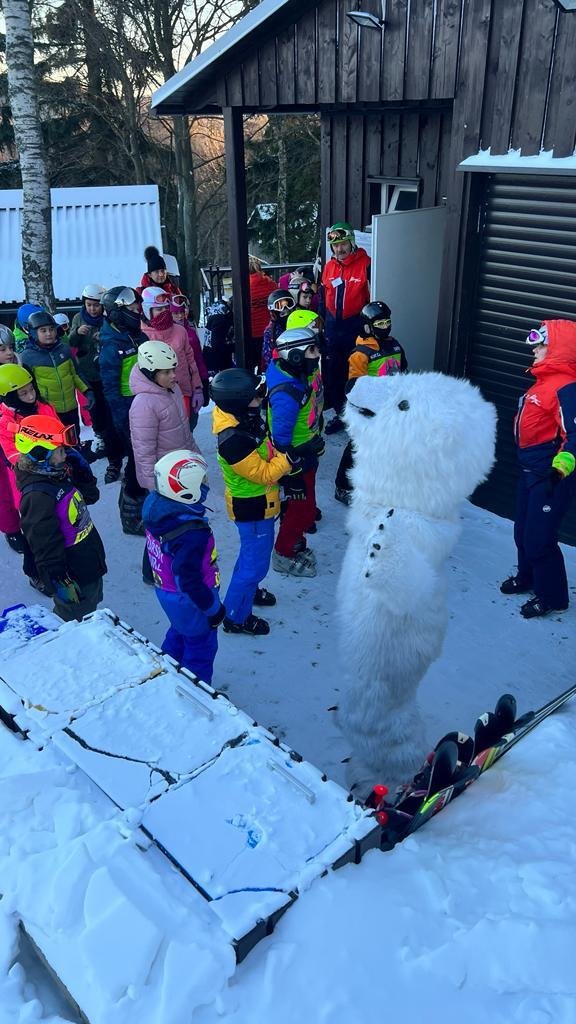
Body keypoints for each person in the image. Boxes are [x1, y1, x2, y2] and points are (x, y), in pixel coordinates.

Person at [211, 368, 301, 635]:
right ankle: (236, 617)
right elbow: (263, 474)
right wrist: (289, 460)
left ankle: (249, 591)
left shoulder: (244, 418)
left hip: (261, 503)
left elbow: (265, 450)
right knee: (255, 565)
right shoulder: (233, 440)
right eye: (256, 396)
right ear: (238, 401)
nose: (261, 399)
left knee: (251, 556)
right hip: (253, 508)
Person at [500, 320, 576, 618]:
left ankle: (552, 598)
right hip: (529, 471)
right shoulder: (544, 381)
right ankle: (527, 578)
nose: (534, 349)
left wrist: (560, 469)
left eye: (540, 344)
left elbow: (574, 436)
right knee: (522, 532)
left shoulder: (567, 387)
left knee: (539, 539)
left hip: (551, 477)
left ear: (558, 348)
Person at [142, 450, 225, 682]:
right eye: (202, 481)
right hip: (191, 601)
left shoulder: (158, 511)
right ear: (186, 488)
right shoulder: (192, 533)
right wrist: (213, 609)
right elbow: (188, 580)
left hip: (167, 592)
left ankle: (165, 675)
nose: (206, 484)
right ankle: (194, 693)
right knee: (200, 649)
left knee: (178, 633)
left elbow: (152, 550)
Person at [15, 414, 106, 621]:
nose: (65, 455)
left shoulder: (58, 472)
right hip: (72, 572)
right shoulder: (37, 496)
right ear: (40, 455)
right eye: (60, 451)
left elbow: (91, 497)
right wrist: (60, 578)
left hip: (88, 558)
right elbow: (43, 544)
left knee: (91, 602)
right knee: (74, 617)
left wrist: (83, 474)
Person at [334, 301, 408, 505]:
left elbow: (403, 370)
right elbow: (355, 386)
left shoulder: (395, 345)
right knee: (357, 449)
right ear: (367, 327)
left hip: (389, 409)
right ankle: (343, 486)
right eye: (379, 324)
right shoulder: (361, 353)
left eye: (387, 322)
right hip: (369, 411)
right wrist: (364, 408)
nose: (385, 327)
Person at [266, 327, 325, 578]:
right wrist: (305, 449)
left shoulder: (298, 374)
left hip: (306, 454)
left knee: (300, 508)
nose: (317, 354)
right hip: (295, 462)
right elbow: (281, 441)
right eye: (312, 350)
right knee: (302, 510)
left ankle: (295, 541)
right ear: (295, 355)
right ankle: (283, 553)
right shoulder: (287, 394)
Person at [99, 286, 149, 534]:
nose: (136, 311)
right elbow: (110, 386)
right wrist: (121, 418)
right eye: (131, 307)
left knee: (144, 458)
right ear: (117, 312)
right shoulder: (111, 344)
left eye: (136, 306)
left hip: (145, 404)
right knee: (137, 460)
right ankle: (130, 515)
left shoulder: (137, 336)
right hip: (128, 409)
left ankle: (140, 502)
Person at [0, 364, 57, 579]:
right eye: (23, 393)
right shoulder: (6, 422)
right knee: (37, 529)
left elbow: (58, 430)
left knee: (60, 521)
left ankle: (61, 562)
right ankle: (35, 573)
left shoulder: (44, 407)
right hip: (28, 483)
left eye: (31, 389)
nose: (31, 395)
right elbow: (11, 453)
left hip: (55, 473)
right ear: (10, 397)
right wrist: (36, 459)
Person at [69, 283, 124, 483]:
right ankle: (103, 438)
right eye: (89, 305)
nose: (93, 309)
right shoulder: (78, 318)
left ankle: (116, 456)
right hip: (88, 374)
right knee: (96, 413)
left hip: (107, 374)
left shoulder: (108, 319)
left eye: (96, 305)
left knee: (113, 417)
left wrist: (103, 337)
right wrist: (77, 333)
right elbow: (70, 342)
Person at [319, 221, 370, 434]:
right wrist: (321, 324)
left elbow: (372, 298)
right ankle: (341, 415)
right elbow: (323, 297)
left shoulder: (366, 264)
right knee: (334, 374)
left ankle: (359, 415)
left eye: (343, 244)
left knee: (356, 374)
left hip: (355, 328)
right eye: (335, 245)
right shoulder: (329, 266)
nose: (339, 249)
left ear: (352, 242)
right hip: (333, 329)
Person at [129, 341, 198, 493]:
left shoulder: (173, 389)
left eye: (173, 370)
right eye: (166, 372)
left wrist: (196, 456)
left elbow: (184, 430)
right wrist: (153, 485)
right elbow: (144, 451)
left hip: (183, 467)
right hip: (165, 476)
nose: (173, 375)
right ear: (151, 374)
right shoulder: (143, 404)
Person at [21, 310, 94, 437]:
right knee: (56, 441)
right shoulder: (27, 357)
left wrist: (88, 391)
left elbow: (75, 374)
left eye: (51, 329)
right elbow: (28, 387)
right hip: (48, 411)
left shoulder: (64, 349)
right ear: (34, 333)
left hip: (71, 408)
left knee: (73, 438)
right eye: (43, 330)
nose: (49, 333)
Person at [140, 287, 203, 420]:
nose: (164, 312)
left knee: (187, 427)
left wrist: (197, 388)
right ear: (147, 311)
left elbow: (191, 361)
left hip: (184, 391)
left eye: (166, 308)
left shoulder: (180, 331)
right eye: (159, 309)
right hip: (158, 397)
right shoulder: (141, 335)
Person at [170, 294, 210, 419]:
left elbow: (198, 358)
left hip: (192, 381)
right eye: (175, 313)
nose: (180, 316)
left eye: (182, 312)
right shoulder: (167, 333)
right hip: (174, 383)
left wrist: (203, 380)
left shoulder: (191, 332)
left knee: (192, 419)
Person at [248, 256, 277, 370]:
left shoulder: (245, 285)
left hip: (251, 331)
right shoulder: (270, 284)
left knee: (252, 363)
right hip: (269, 329)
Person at [261, 289, 296, 370]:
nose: (285, 308)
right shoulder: (270, 331)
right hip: (281, 369)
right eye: (280, 306)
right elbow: (267, 356)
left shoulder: (297, 324)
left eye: (288, 305)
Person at [204, 299, 234, 373]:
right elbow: (216, 342)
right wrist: (233, 347)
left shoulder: (214, 315)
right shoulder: (221, 319)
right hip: (219, 361)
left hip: (211, 358)